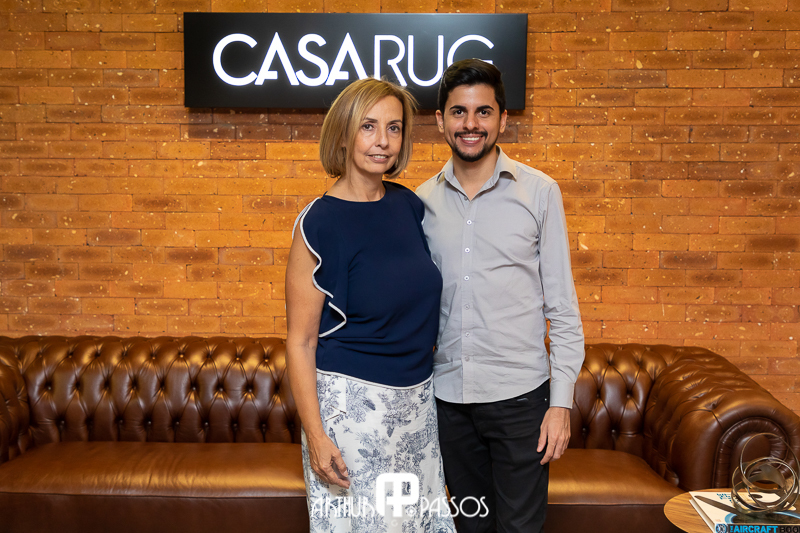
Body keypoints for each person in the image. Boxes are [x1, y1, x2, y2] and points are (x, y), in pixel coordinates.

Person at [416, 59, 585, 533]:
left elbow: (563, 310)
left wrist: (560, 404)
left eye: (483, 112)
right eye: (458, 112)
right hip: (448, 401)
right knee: (471, 527)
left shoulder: (540, 193)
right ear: (440, 120)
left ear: (503, 119)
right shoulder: (421, 202)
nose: (470, 124)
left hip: (521, 401)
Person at [285, 77, 456, 533]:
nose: (383, 140)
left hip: (417, 406)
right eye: (368, 126)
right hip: (350, 414)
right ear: (343, 134)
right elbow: (300, 342)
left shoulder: (408, 206)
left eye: (394, 128)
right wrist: (316, 436)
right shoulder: (318, 223)